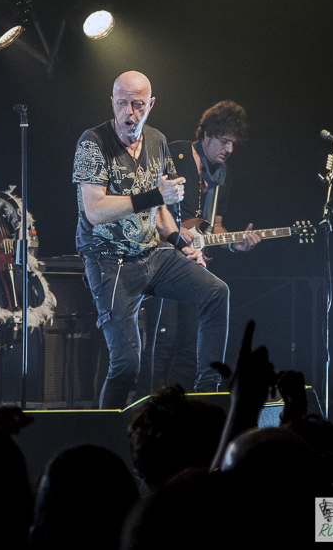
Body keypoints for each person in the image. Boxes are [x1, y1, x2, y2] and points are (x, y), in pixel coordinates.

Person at [73, 71, 230, 407]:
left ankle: (207, 395)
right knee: (128, 365)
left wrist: (182, 244)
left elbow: (160, 213)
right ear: (112, 102)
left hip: (153, 256)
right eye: (122, 103)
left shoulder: (157, 140)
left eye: (137, 104)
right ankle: (109, 435)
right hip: (108, 259)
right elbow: (94, 210)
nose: (129, 112)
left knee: (216, 292)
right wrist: (154, 195)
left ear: (151, 104)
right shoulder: (92, 141)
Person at [148, 100, 260, 391]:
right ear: (207, 134)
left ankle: (186, 406)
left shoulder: (223, 177)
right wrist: (175, 235)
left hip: (193, 260)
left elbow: (214, 226)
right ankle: (148, 405)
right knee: (164, 337)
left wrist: (237, 244)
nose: (229, 149)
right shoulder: (176, 152)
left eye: (234, 143)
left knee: (191, 338)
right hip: (163, 256)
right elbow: (153, 204)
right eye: (224, 141)